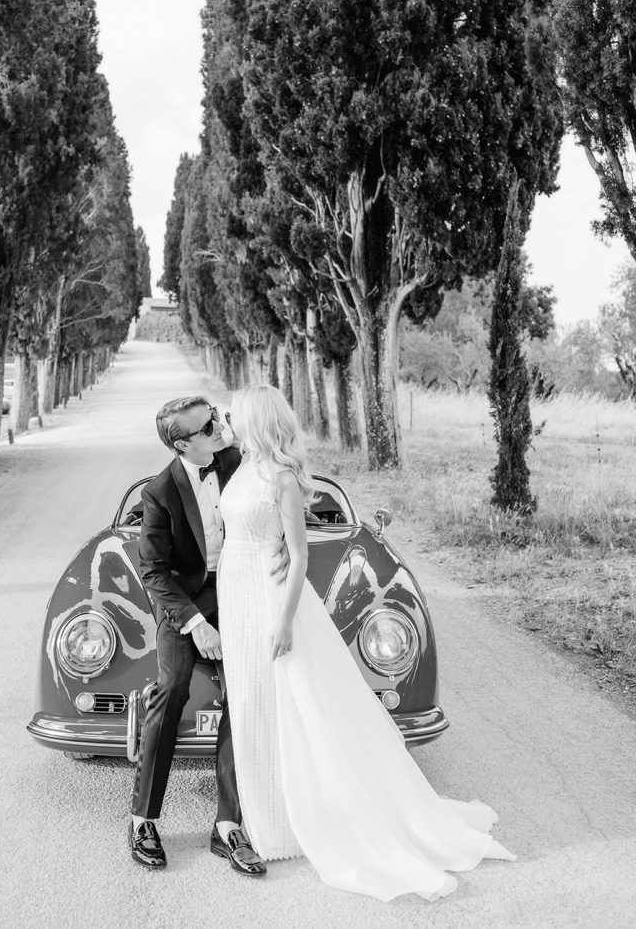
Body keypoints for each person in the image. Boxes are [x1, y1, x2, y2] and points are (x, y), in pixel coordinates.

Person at [217, 384, 516, 903]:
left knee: (288, 703)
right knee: (251, 702)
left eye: (235, 414)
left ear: (256, 420)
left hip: (267, 595)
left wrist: (284, 620)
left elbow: (299, 555)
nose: (229, 419)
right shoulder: (242, 463)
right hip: (235, 591)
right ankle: (263, 810)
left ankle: (287, 823)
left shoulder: (282, 478)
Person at [129, 395, 286, 876]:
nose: (218, 427)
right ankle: (142, 820)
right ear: (181, 444)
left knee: (244, 693)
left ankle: (228, 825)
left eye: (215, 417)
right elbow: (153, 571)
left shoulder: (238, 460)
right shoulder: (159, 492)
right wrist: (196, 624)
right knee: (171, 687)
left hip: (242, 592)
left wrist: (285, 540)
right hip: (184, 604)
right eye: (206, 427)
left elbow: (279, 492)